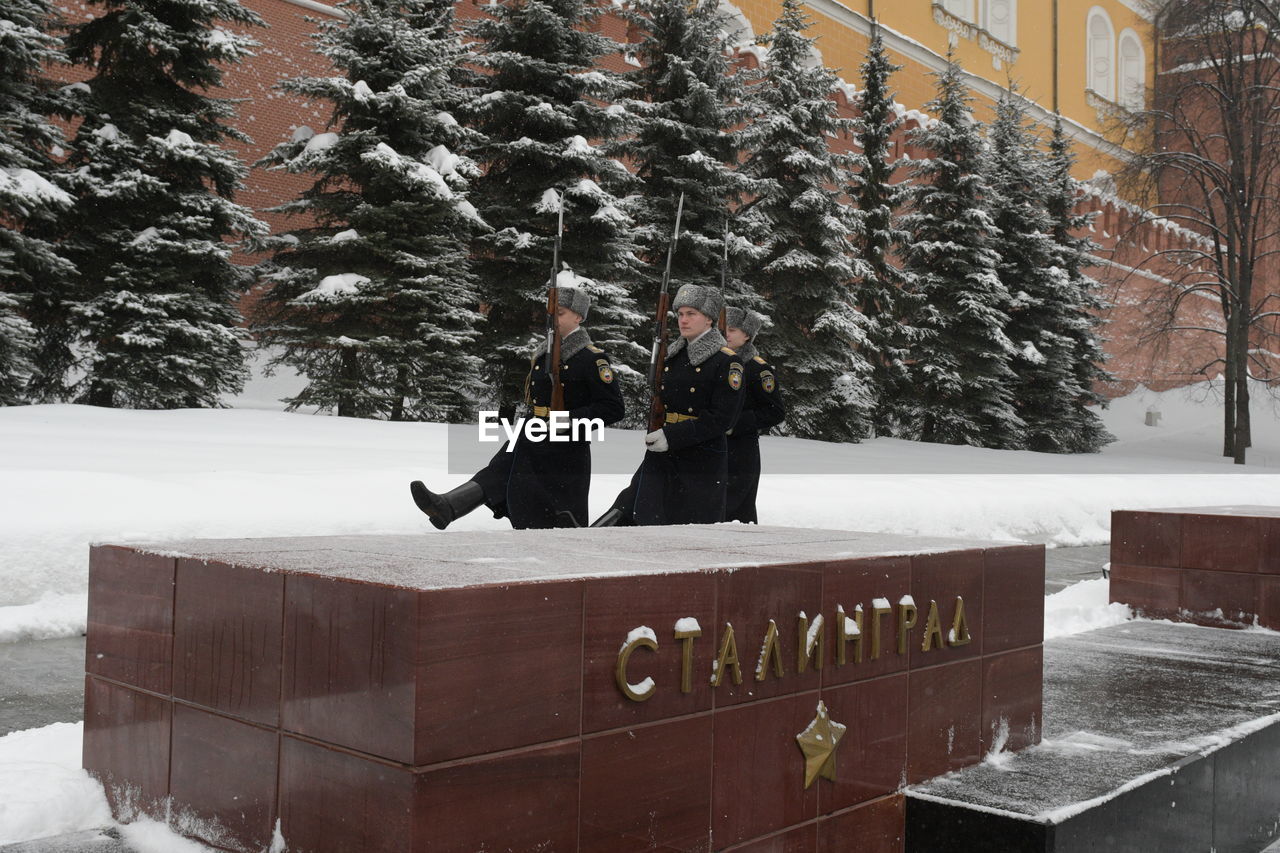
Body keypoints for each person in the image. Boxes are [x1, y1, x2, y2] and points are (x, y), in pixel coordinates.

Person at [409, 285, 624, 529]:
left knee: (553, 517)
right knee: (506, 477)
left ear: (578, 317)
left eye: (561, 313)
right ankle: (448, 506)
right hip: (537, 434)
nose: (553, 318)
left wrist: (567, 420)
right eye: (551, 312)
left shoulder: (591, 359)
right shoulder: (544, 355)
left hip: (567, 449)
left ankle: (450, 506)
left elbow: (613, 408)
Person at [592, 284, 743, 526]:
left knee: (687, 530)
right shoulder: (673, 356)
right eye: (680, 314)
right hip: (663, 454)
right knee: (643, 517)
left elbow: (722, 418)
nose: (683, 320)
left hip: (700, 459)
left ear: (709, 319)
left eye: (691, 314)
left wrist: (672, 435)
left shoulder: (726, 361)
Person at [723, 306, 785, 523]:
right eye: (723, 329)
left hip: (741, 449)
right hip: (711, 446)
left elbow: (774, 411)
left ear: (747, 335)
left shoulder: (758, 369)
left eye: (732, 330)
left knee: (737, 511)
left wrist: (734, 424)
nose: (726, 334)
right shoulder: (715, 362)